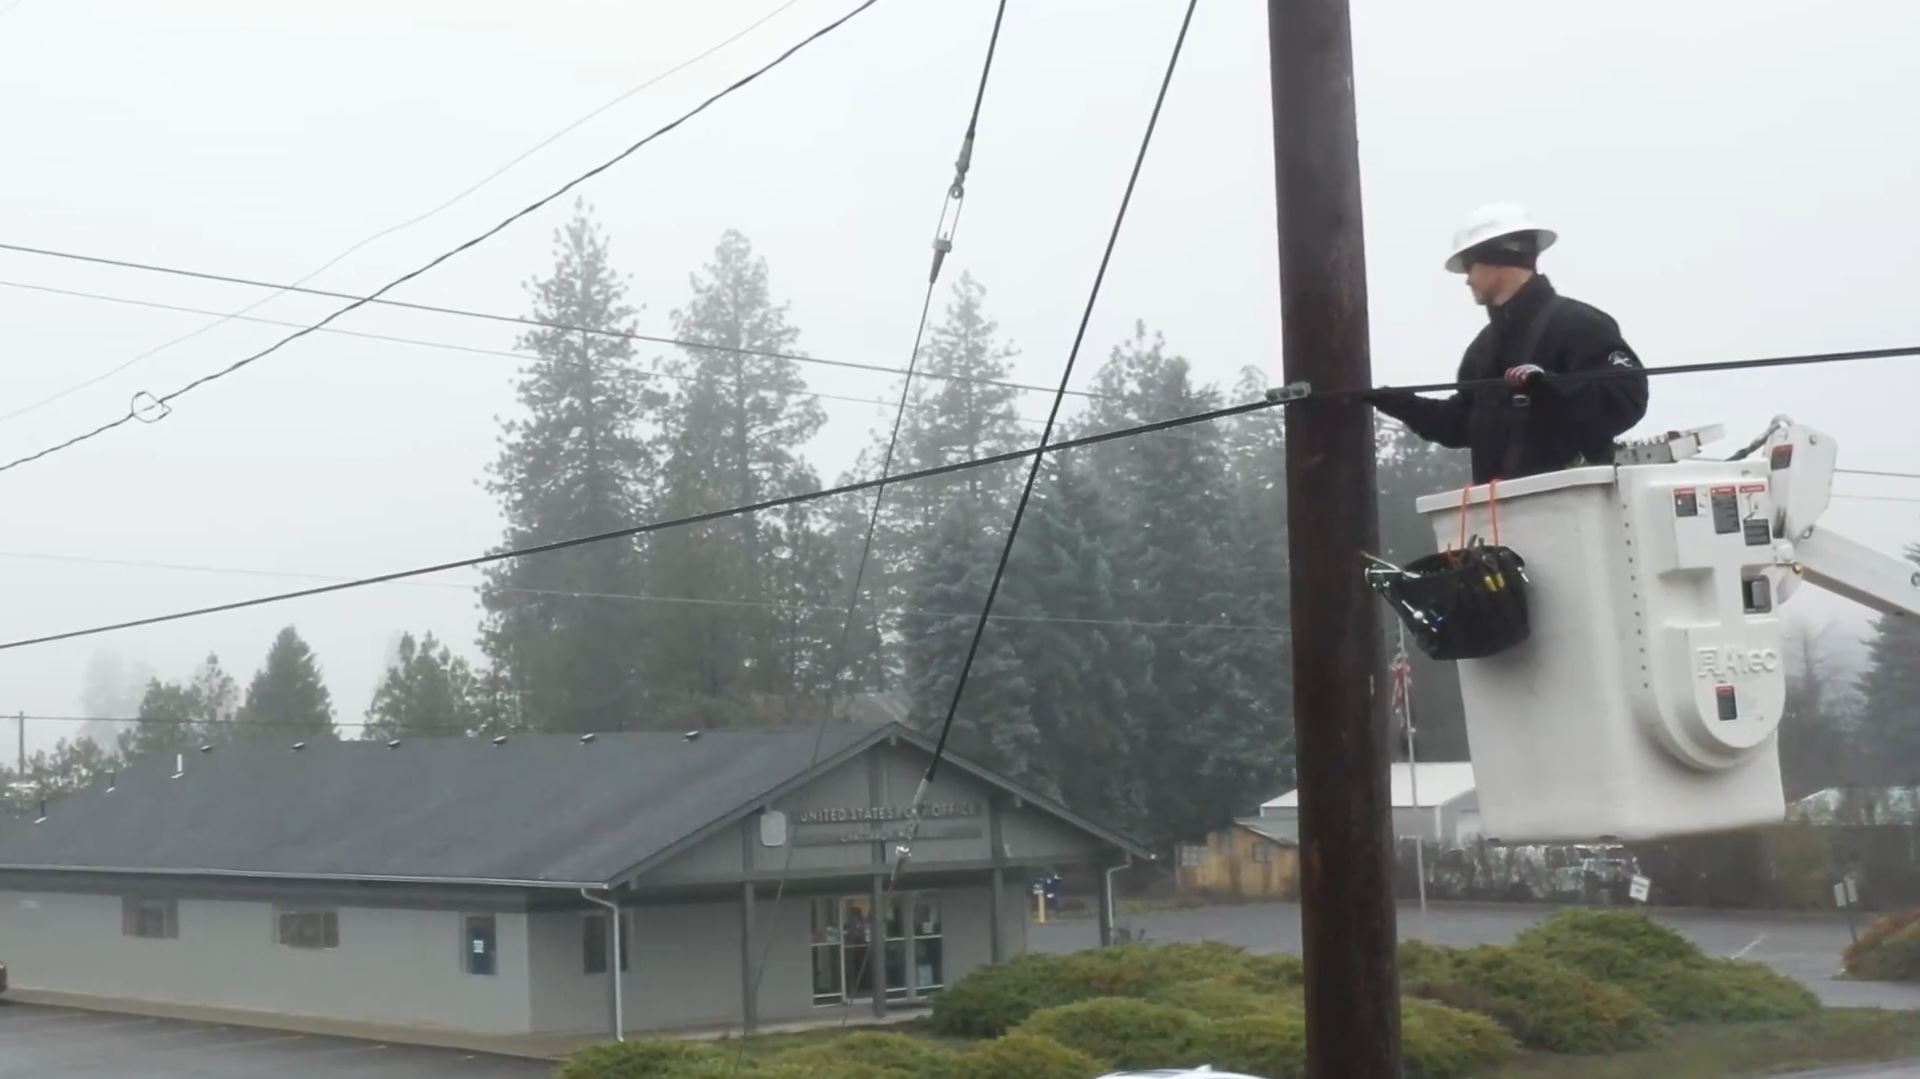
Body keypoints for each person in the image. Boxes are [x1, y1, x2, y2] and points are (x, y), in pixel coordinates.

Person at [1373, 203, 1649, 484]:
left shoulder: (1579, 324)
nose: (1467, 280)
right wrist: (1400, 404)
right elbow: (1459, 425)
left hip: (1571, 508)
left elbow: (1625, 402)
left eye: (1470, 267)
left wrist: (1549, 387)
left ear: (1497, 261)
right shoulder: (1482, 348)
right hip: (1500, 512)